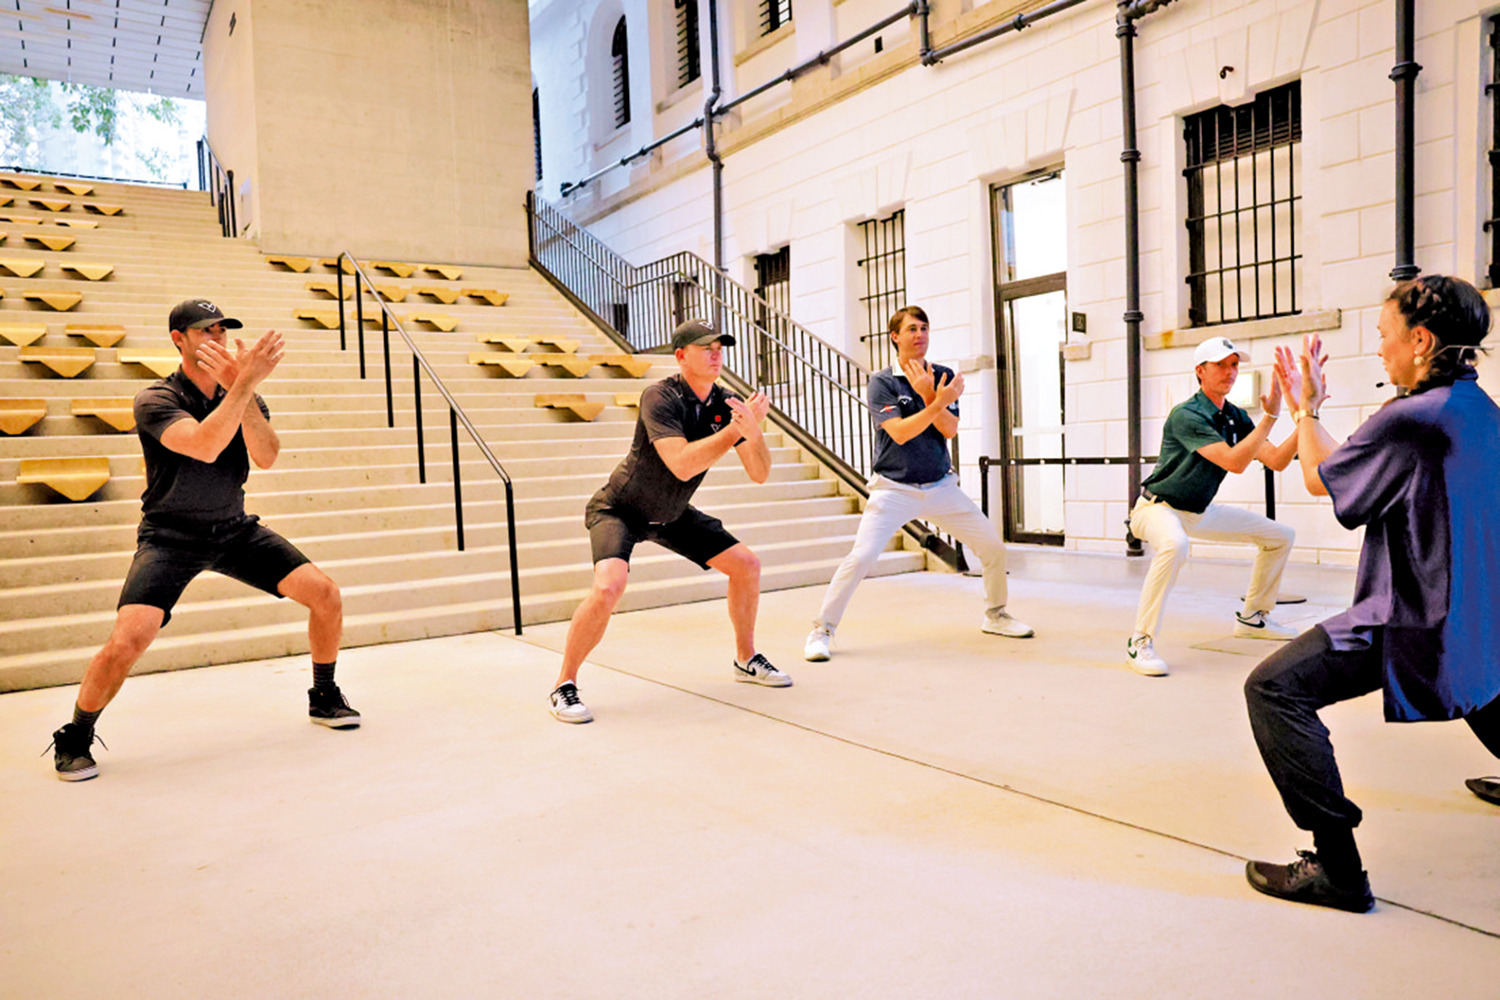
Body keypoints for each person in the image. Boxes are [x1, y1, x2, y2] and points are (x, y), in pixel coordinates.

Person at [1244, 275, 1500, 913]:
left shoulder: (1411, 416)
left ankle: (1337, 870)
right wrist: (1311, 418)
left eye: (1385, 335)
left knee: (1274, 690)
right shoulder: (1473, 407)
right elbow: (1349, 468)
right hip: (1480, 604)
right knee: (1485, 678)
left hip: (1418, 612)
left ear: (1421, 340)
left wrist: (1305, 410)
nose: (1379, 347)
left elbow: (1317, 478)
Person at [45, 300, 355, 782]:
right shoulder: (156, 399)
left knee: (326, 595)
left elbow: (267, 455)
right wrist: (245, 383)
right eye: (205, 330)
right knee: (130, 639)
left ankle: (324, 695)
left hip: (234, 530)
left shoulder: (242, 393)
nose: (217, 337)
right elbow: (204, 446)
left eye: (222, 330)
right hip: (170, 538)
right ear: (178, 339)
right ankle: (76, 735)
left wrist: (242, 389)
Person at [547, 318, 790, 724]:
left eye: (719, 347)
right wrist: (735, 431)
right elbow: (681, 464)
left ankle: (746, 659)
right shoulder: (660, 396)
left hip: (672, 514)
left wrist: (754, 432)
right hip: (620, 509)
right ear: (681, 356)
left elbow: (759, 473)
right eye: (705, 347)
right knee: (609, 586)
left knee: (747, 565)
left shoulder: (729, 405)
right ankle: (563, 684)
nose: (715, 354)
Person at [803, 305, 1032, 662]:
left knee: (993, 548)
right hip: (894, 489)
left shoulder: (942, 376)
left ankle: (996, 615)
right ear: (895, 336)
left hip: (941, 487)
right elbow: (900, 432)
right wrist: (936, 401)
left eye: (924, 328)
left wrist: (930, 395)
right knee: (861, 557)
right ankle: (822, 631)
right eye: (912, 328)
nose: (920, 334)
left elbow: (949, 430)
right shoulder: (882, 382)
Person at [1124, 336, 1300, 677]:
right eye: (1220, 364)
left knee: (1280, 536)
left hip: (1198, 512)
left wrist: (1306, 415)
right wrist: (1270, 416)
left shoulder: (1235, 417)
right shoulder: (1186, 415)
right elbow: (1235, 462)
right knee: (1175, 543)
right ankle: (1140, 641)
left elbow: (1277, 460)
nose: (1230, 371)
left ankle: (1252, 618)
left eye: (1234, 365)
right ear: (1200, 371)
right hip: (1156, 509)